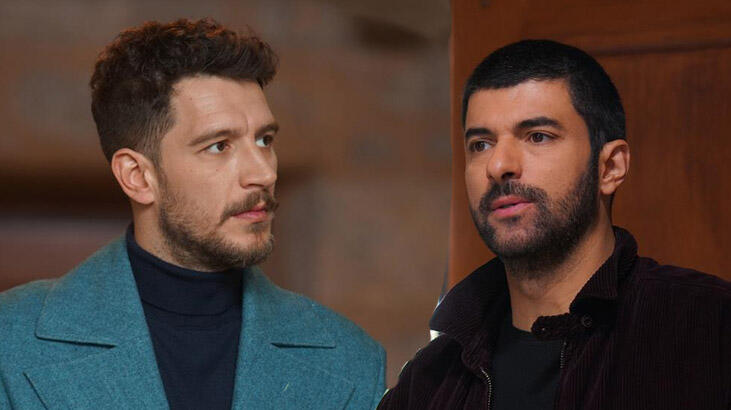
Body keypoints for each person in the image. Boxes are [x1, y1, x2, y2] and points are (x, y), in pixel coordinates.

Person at [0, 18, 384, 410]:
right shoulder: (10, 340)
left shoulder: (353, 360)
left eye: (264, 140)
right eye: (219, 146)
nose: (264, 173)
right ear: (137, 177)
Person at [379, 40, 729, 410]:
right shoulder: (430, 379)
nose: (499, 165)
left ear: (610, 167)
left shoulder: (711, 329)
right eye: (481, 144)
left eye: (538, 136)